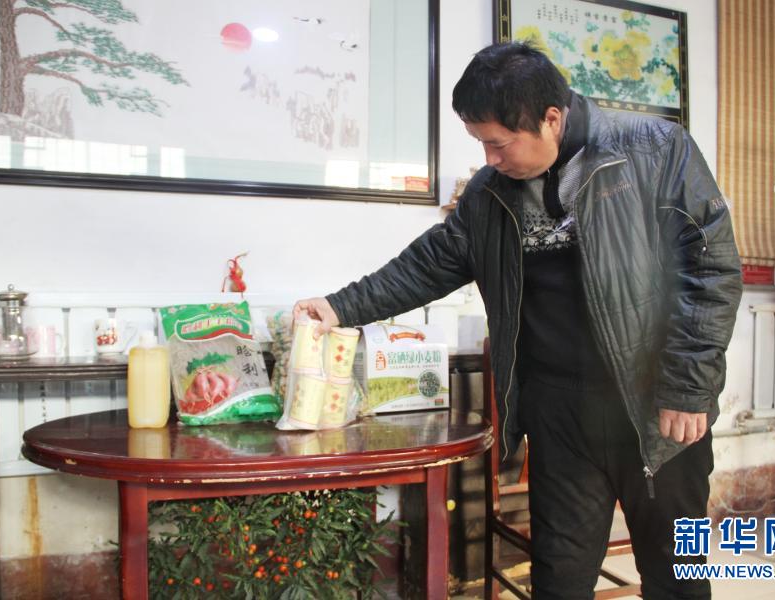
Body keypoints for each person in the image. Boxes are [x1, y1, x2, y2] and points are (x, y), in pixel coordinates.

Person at [294, 42, 742, 599]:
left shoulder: (655, 149)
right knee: (558, 581)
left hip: (656, 405)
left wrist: (688, 387)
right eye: (480, 143)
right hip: (558, 413)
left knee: (677, 577)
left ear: (551, 119)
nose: (489, 159)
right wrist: (339, 307)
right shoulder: (490, 193)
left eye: (498, 143)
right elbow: (428, 264)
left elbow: (711, 268)